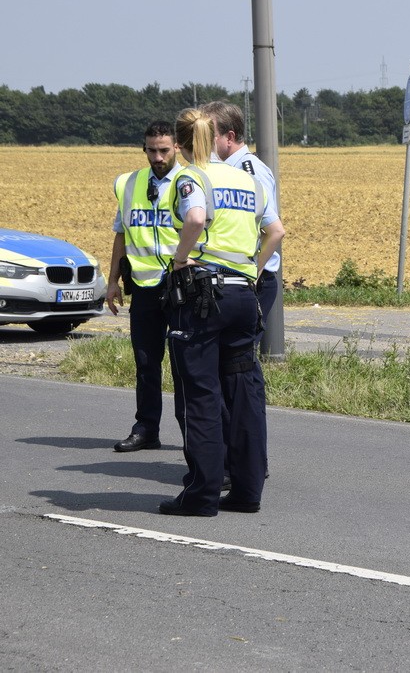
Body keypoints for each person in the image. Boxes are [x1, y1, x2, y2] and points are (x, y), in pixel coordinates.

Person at [158, 108, 268, 517]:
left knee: (201, 393)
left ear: (182, 145)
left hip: (205, 295)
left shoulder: (193, 176)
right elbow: (273, 230)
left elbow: (196, 217)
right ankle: (247, 491)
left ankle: (201, 495)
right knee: (244, 393)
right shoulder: (248, 179)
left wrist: (180, 258)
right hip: (244, 293)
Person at [200, 100, 284, 488]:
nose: (202, 141)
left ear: (229, 137)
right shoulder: (225, 169)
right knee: (234, 375)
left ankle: (249, 462)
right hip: (238, 281)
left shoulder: (247, 170)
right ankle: (242, 461)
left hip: (248, 282)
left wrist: (248, 269)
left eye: (209, 134)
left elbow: (273, 229)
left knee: (240, 376)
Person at [106, 121, 182, 453]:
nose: (157, 156)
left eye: (164, 149)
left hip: (181, 284)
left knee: (185, 365)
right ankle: (147, 428)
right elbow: (121, 234)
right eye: (151, 149)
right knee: (146, 360)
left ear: (177, 147)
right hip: (144, 284)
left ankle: (194, 433)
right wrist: (111, 281)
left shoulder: (188, 181)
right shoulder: (128, 183)